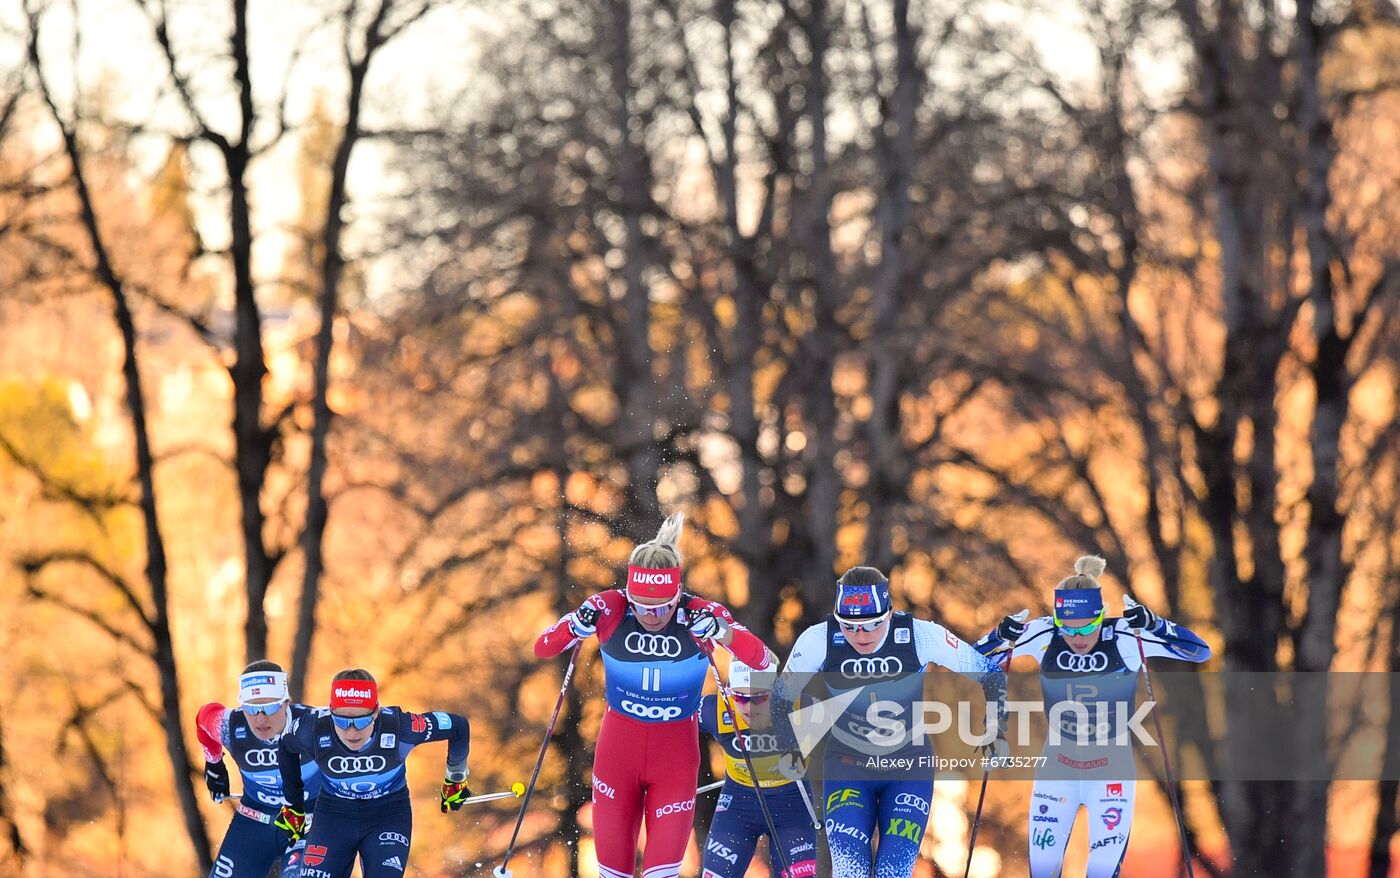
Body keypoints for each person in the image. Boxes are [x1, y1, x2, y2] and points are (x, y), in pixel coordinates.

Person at [534, 512, 773, 878]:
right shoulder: (609, 608)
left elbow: (764, 660)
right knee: (613, 873)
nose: (652, 616)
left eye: (663, 606)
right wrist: (573, 626)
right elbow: (543, 648)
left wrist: (723, 632)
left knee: (662, 873)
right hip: (618, 756)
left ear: (678, 594)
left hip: (674, 759)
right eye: (642, 607)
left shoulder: (700, 614)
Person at [975, 555, 1212, 878]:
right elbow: (970, 662)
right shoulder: (1044, 634)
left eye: (1087, 626)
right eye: (1067, 628)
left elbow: (1200, 651)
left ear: (1101, 615)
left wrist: (1154, 624)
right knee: (1044, 871)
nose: (1077, 638)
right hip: (1058, 766)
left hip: (1110, 769)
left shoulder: (1126, 635)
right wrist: (1000, 635)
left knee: (1101, 872)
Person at [772, 566, 1008, 878]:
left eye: (871, 625)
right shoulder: (818, 640)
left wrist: (995, 729)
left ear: (889, 614)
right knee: (850, 871)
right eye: (849, 626)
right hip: (848, 766)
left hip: (908, 767)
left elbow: (990, 674)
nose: (860, 635)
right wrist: (790, 747)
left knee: (892, 872)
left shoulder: (921, 635)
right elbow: (781, 697)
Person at [275, 669, 470, 878]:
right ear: (331, 711)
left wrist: (455, 779)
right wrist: (294, 806)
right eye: (341, 721)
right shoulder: (312, 729)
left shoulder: (400, 727)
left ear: (376, 711)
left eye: (361, 721)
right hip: (334, 815)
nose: (352, 732)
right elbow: (285, 747)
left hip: (388, 815)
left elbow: (458, 726)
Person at [196, 661, 323, 878]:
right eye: (251, 708)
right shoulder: (231, 727)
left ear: (286, 703)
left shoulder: (314, 725)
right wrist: (214, 763)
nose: (260, 718)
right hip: (255, 819)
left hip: (308, 819)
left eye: (271, 706)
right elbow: (203, 718)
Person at [698, 658, 817, 878]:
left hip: (792, 807)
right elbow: (665, 723)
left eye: (760, 697)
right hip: (738, 806)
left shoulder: (803, 707)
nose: (749, 708)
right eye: (740, 697)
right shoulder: (714, 709)